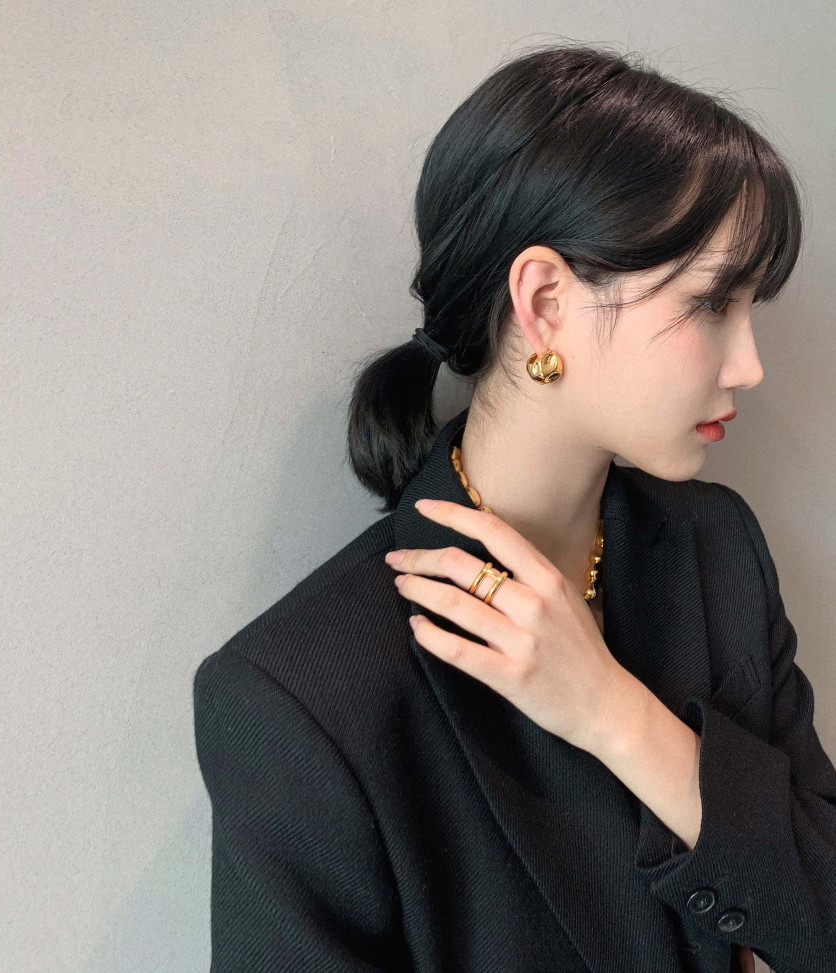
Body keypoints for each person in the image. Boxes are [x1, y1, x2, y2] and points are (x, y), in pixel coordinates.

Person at [193, 44, 836, 972]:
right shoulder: (303, 696)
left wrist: (615, 713)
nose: (751, 366)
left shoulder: (716, 548)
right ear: (544, 301)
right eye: (712, 305)